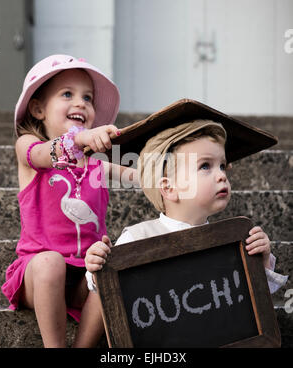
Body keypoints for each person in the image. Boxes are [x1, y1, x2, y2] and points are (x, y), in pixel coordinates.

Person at [1, 54, 137, 348]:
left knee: (110, 269)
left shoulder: (96, 165)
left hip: (81, 277)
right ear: (38, 108)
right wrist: (78, 140)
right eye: (67, 94)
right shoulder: (29, 148)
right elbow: (42, 154)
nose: (81, 103)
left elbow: (136, 175)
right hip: (37, 274)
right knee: (50, 263)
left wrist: (174, 172)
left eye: (88, 98)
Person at [85, 120, 288, 296]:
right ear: (169, 188)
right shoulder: (138, 238)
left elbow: (254, 300)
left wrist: (261, 263)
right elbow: (112, 292)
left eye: (222, 165)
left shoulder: (232, 240)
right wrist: (97, 269)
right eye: (205, 166)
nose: (221, 175)